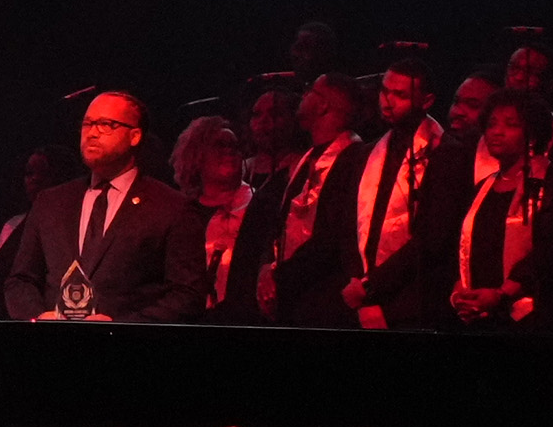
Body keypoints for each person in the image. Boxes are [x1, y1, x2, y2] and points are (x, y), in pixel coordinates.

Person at [0, 88, 183, 321]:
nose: (92, 133)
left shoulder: (170, 207)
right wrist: (38, 318)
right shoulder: (51, 202)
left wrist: (123, 326)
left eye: (106, 124)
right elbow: (20, 280)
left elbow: (186, 294)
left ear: (135, 136)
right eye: (87, 124)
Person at [339, 56, 450, 332]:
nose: (387, 102)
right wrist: (357, 282)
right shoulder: (367, 153)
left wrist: (372, 287)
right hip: (360, 294)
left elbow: (433, 237)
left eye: (400, 95)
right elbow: (349, 225)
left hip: (412, 301)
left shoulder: (446, 153)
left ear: (426, 101)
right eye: (385, 91)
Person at [440, 96, 553, 334]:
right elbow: (461, 246)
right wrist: (461, 293)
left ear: (532, 135)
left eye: (510, 124)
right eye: (491, 124)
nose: (496, 132)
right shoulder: (483, 188)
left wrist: (501, 294)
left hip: (527, 319)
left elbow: (552, 249)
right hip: (478, 315)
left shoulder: (548, 186)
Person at [262, 76, 369, 327]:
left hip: (325, 300)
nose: (303, 95)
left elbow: (331, 237)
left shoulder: (355, 159)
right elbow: (280, 224)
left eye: (310, 89)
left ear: (323, 105)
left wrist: (280, 277)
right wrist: (267, 268)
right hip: (293, 296)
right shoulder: (307, 158)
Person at [167, 113, 275, 320]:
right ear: (197, 155)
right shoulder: (181, 213)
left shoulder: (261, 207)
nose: (229, 151)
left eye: (234, 146)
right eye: (219, 145)